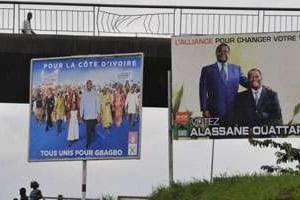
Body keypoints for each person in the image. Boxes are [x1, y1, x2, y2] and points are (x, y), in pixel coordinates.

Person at [199, 43, 248, 124]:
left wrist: (262, 87)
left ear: (229, 53)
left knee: (233, 134)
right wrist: (204, 109)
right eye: (220, 51)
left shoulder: (236, 69)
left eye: (225, 51)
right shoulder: (207, 70)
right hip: (214, 111)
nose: (223, 53)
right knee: (216, 135)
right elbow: (202, 91)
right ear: (216, 53)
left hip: (234, 110)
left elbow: (246, 83)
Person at [80, 80, 100, 148]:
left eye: (90, 84)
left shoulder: (95, 93)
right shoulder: (83, 94)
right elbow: (81, 105)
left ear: (92, 85)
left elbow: (97, 103)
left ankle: (93, 131)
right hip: (87, 115)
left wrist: (99, 113)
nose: (89, 85)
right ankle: (88, 142)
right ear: (86, 85)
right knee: (88, 129)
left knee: (93, 127)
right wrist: (81, 114)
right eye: (88, 84)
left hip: (94, 115)